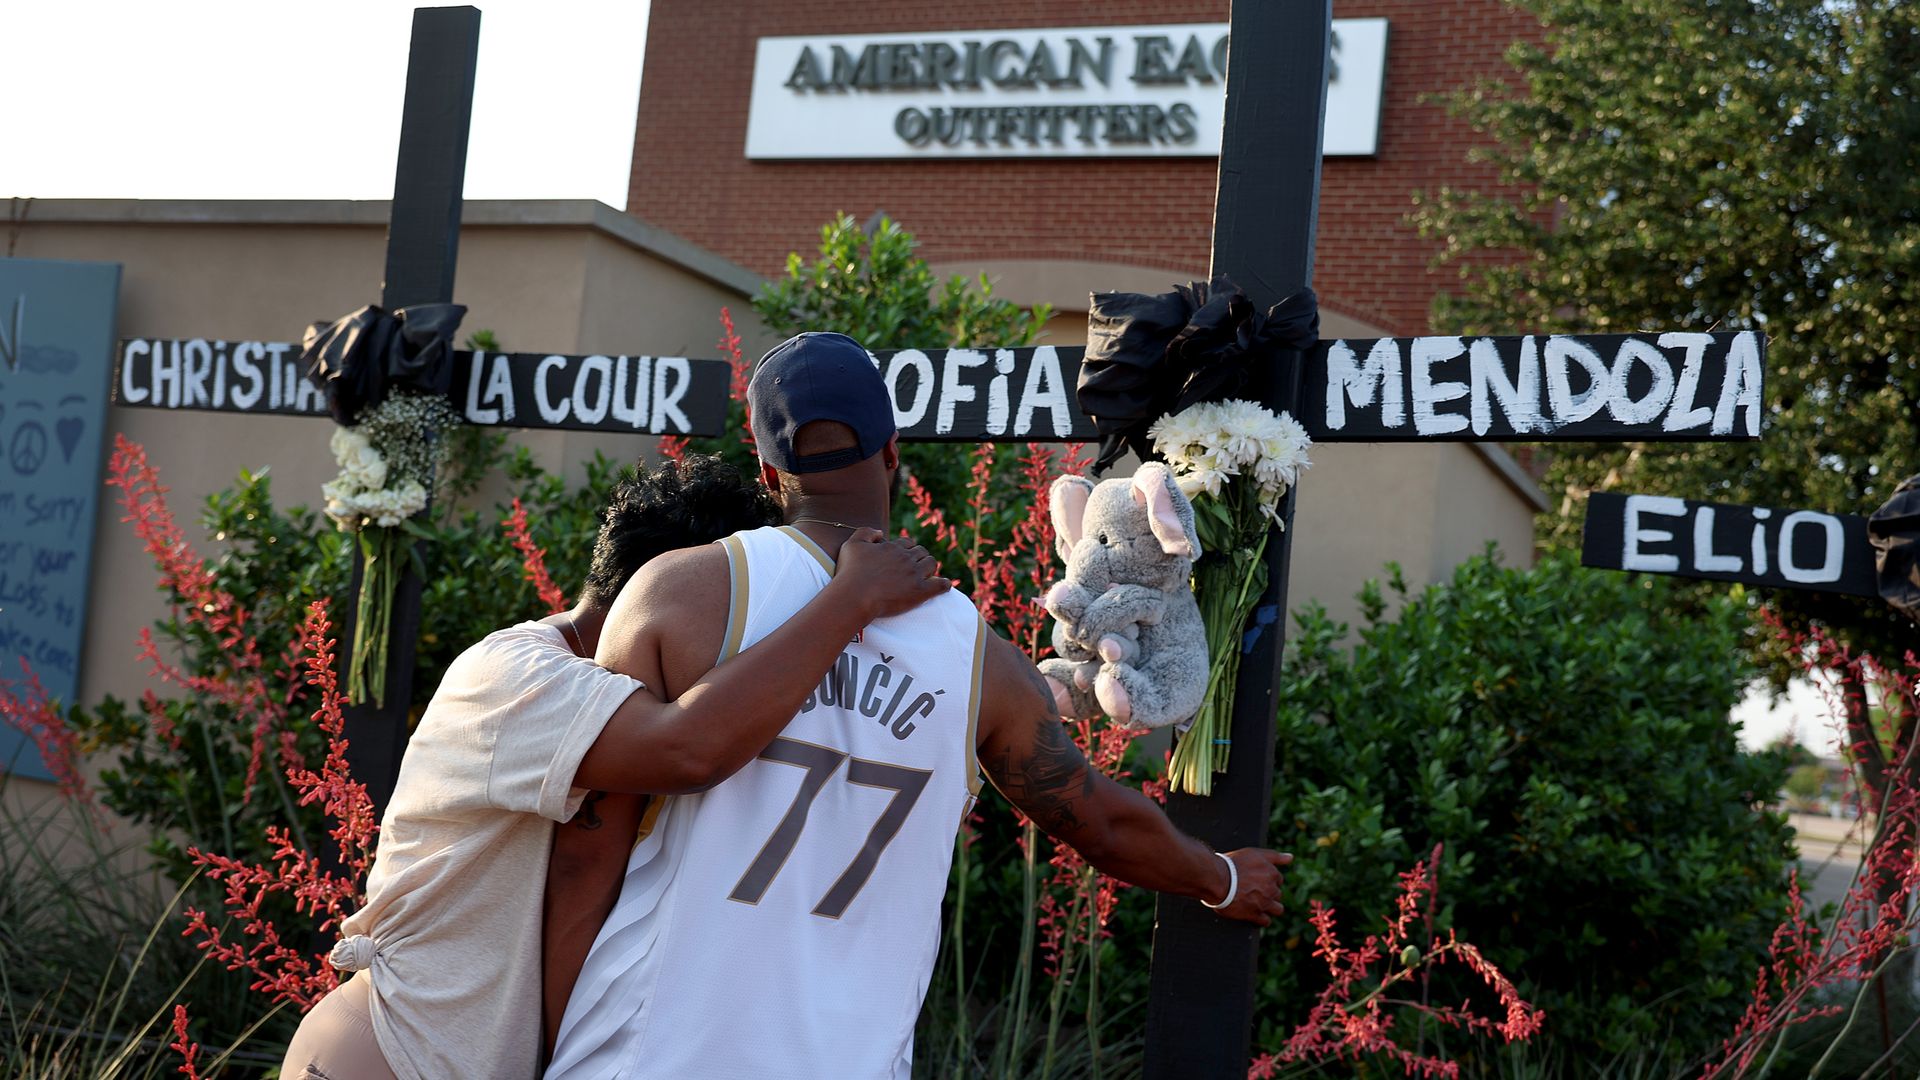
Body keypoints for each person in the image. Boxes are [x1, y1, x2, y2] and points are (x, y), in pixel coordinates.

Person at [543, 332, 1292, 1080]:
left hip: (646, 1049)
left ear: (769, 473)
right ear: (893, 452)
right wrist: (1219, 877)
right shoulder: (978, 657)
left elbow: (585, 855)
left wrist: (545, 1045)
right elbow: (1096, 817)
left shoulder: (676, 593)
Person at [279, 453, 949, 1080]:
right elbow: (688, 748)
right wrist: (850, 599)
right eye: (738, 603)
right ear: (673, 589)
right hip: (396, 1052)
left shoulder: (592, 687)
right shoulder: (524, 677)